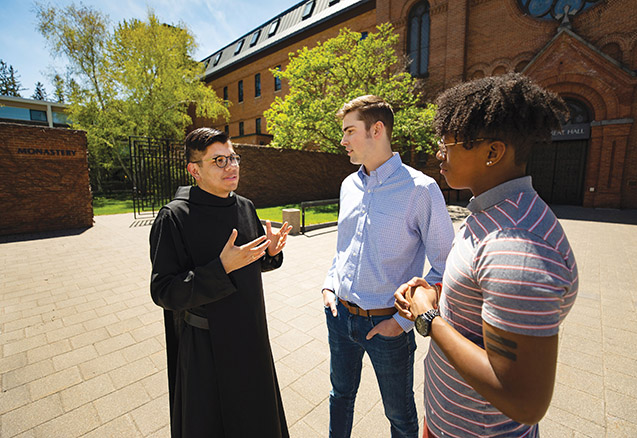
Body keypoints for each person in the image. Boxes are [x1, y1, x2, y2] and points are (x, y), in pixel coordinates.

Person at [394, 73, 578, 437]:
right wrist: (439, 295)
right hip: (450, 421)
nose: (438, 152)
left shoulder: (518, 247)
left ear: (493, 152)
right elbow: (483, 301)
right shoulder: (492, 213)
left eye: (449, 144)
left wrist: (428, 317)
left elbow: (524, 400)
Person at [322, 95, 455, 438]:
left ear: (377, 130)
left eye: (349, 131)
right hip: (340, 317)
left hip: (388, 327)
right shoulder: (347, 185)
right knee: (340, 397)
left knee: (400, 416)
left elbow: (444, 266)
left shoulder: (421, 189)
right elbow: (344, 247)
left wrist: (401, 322)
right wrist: (328, 285)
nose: (343, 140)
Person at [149, 127, 292, 438]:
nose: (232, 167)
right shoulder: (173, 217)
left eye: (233, 158)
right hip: (207, 348)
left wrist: (269, 253)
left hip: (251, 337)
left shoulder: (244, 206)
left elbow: (249, 261)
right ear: (194, 170)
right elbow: (164, 290)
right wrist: (220, 268)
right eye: (219, 161)